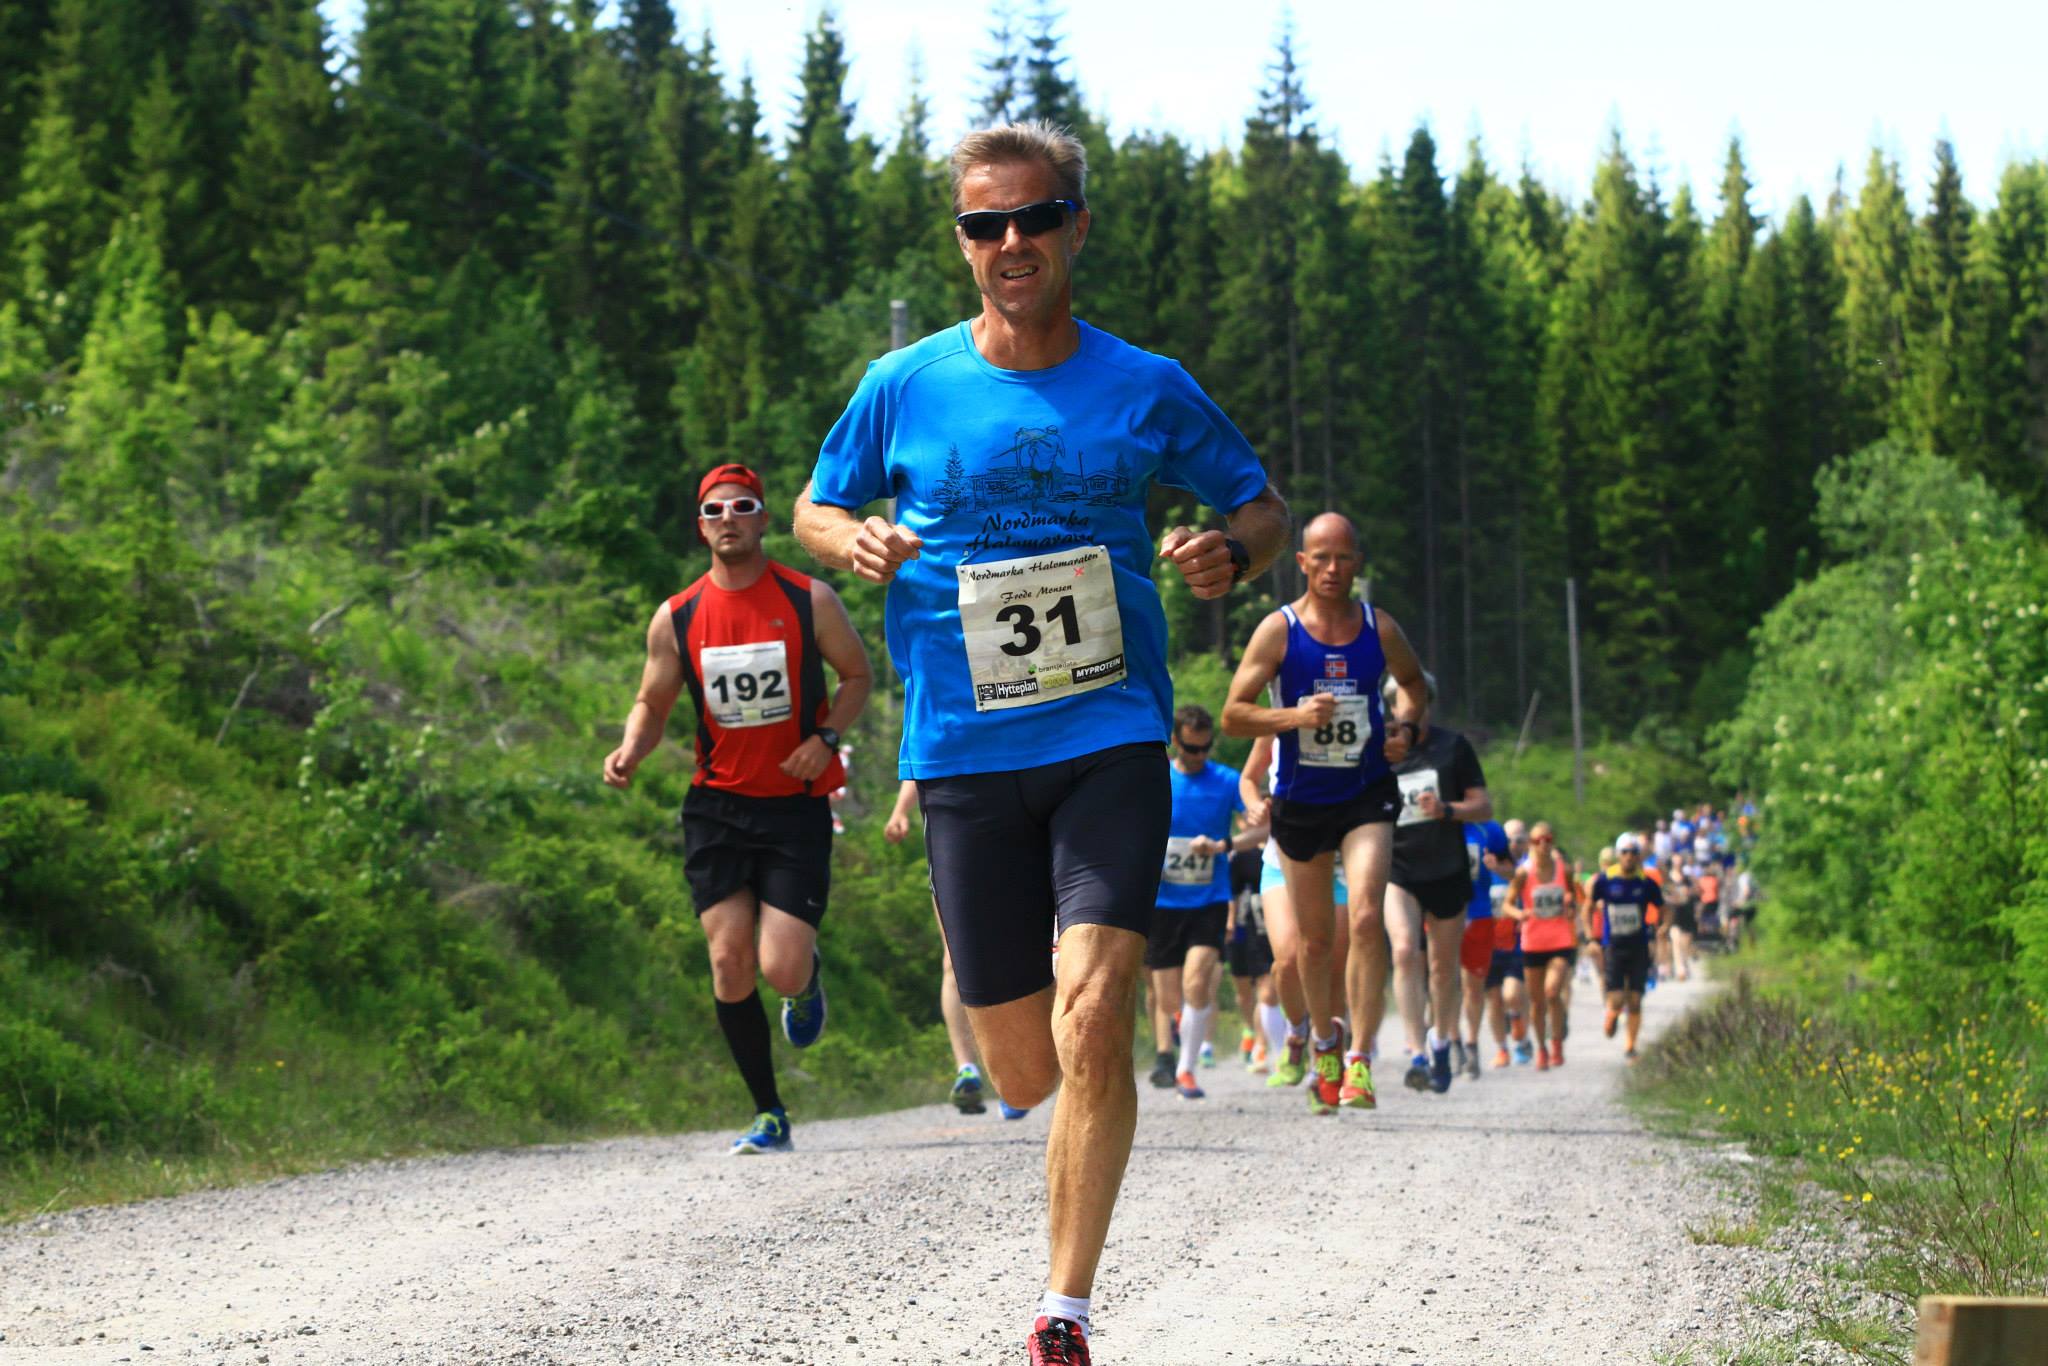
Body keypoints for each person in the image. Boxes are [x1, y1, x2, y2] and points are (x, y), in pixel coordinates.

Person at [793, 120, 1289, 1365]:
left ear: (1077, 226)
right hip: (963, 751)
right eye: (985, 223)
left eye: (1034, 217)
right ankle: (1050, 1106)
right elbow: (815, 505)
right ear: (962, 241)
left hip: (1107, 733)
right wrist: (849, 539)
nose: (1011, 241)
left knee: (1097, 1005)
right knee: (1023, 1069)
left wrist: (1231, 554)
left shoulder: (1145, 382)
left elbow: (1258, 503)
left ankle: (1062, 1309)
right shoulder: (903, 382)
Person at [603, 463, 872, 1155]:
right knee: (728, 962)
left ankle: (804, 984)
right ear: (701, 528)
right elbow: (652, 701)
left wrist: (825, 738)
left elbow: (856, 676)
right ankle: (768, 1111)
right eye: (715, 510)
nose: (728, 518)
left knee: (781, 968)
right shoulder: (678, 615)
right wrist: (631, 749)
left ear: (763, 520)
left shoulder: (808, 599)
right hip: (718, 807)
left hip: (794, 806)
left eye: (742, 507)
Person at [1222, 512, 1426, 1114]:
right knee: (1312, 945)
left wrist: (1406, 730)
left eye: (1343, 558)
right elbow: (1234, 714)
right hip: (1302, 799)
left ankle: (1360, 1057)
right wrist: (1294, 717)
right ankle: (1325, 1044)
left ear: (1357, 563)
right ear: (1302, 562)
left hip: (1366, 792)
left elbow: (1414, 685)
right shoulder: (1278, 631)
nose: (1333, 568)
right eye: (1321, 557)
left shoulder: (1379, 628)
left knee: (1364, 918)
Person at [886, 780, 1031, 1121]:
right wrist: (900, 811)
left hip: (1019, 824)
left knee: (1016, 952)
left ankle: (1015, 1075)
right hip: (954, 823)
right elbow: (921, 757)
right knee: (956, 959)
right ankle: (967, 1069)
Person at [1384, 671, 1492, 1094]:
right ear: (1391, 707)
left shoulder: (1453, 746)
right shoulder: (1378, 749)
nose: (1408, 709)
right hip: (1398, 866)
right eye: (1400, 701)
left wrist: (1447, 809)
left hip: (1447, 867)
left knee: (1443, 967)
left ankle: (1442, 1043)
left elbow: (1483, 806)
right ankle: (1415, 1052)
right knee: (1404, 950)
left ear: (1427, 702)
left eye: (1416, 700)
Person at [1239, 731, 1352, 1092]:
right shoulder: (1277, 720)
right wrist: (1254, 805)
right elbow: (1248, 779)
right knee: (1287, 961)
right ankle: (1297, 1032)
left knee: (1331, 969)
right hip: (1284, 860)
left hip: (1339, 867)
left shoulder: (1360, 712)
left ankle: (1326, 1067)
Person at [1145, 706, 1248, 1099]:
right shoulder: (1157, 778)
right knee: (1166, 994)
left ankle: (1185, 1069)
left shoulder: (1226, 780)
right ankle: (1165, 1053)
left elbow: (1260, 828)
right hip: (1163, 902)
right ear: (1175, 741)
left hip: (1210, 899)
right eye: (1191, 748)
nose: (1199, 755)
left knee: (1197, 981)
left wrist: (1224, 845)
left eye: (1205, 748)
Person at [1502, 821, 1583, 1070]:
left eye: (1548, 840)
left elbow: (1574, 898)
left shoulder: (1564, 870)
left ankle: (1557, 1043)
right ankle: (1541, 1048)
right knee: (1537, 1002)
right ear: (1531, 844)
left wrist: (1570, 907)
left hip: (1560, 940)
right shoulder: (1523, 873)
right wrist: (1520, 914)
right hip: (1533, 943)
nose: (1543, 845)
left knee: (1552, 992)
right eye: (1538, 841)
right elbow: (1507, 904)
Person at [1592, 834, 1662, 1060]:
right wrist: (1590, 937)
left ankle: (1630, 1047)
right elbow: (1587, 906)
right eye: (1625, 852)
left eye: (1633, 852)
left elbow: (1663, 906)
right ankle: (1612, 1013)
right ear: (1618, 855)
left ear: (1639, 856)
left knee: (1635, 1000)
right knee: (1617, 998)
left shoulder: (1645, 883)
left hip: (1638, 946)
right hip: (1613, 946)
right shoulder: (1605, 881)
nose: (1629, 857)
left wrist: (1662, 928)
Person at [1458, 816, 1512, 1079]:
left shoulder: (1488, 828)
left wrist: (1497, 867)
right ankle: (1448, 1042)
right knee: (1441, 979)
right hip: (1440, 911)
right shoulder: (1431, 821)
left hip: (1478, 913)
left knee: (1473, 986)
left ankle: (1470, 1044)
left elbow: (1511, 870)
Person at [1227, 840, 1278, 1073]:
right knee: (1244, 991)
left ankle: (1262, 1044)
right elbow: (1231, 893)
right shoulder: (1239, 855)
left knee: (1266, 991)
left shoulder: (1281, 847)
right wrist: (1229, 924)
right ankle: (1250, 1029)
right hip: (1242, 930)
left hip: (1270, 931)